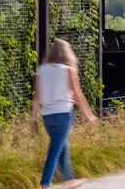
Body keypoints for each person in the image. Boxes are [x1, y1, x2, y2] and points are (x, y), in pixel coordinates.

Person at [29, 39, 97, 189]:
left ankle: (69, 180)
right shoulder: (68, 70)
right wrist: (89, 116)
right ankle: (45, 185)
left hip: (47, 116)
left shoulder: (42, 70)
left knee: (62, 145)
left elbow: (37, 97)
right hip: (63, 115)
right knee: (54, 152)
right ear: (67, 53)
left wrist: (33, 119)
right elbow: (78, 95)